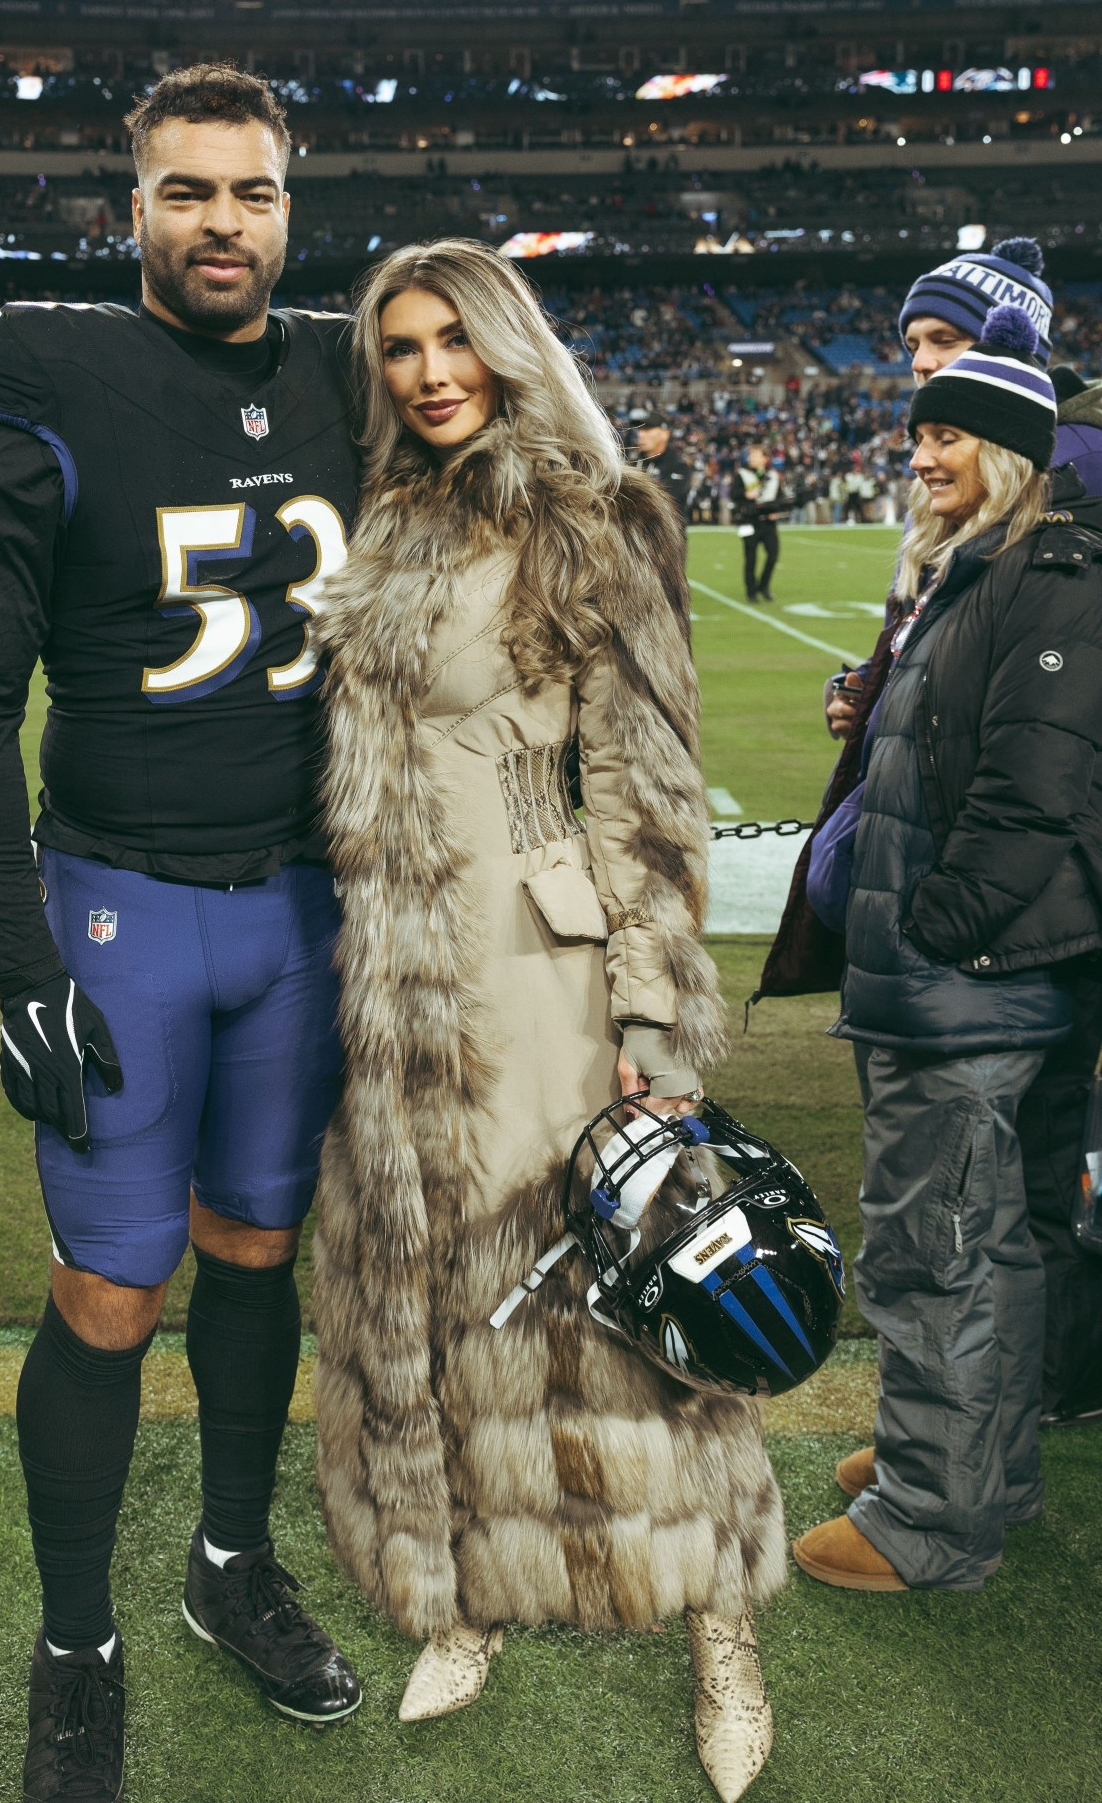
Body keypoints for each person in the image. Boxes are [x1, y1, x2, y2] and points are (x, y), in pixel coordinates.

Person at [0, 64, 363, 1803]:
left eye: (248, 192)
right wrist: (21, 966)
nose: (221, 223)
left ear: (286, 205)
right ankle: (76, 1638)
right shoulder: (59, 371)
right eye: (185, 192)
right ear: (133, 209)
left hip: (305, 904)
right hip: (124, 902)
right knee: (111, 1287)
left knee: (261, 1253)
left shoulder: (347, 362)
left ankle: (229, 1560)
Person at [313, 240, 785, 1802]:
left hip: (540, 964)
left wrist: (653, 1013)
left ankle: (723, 1624)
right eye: (401, 348)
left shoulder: (595, 518)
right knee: (443, 1301)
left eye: (456, 340)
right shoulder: (390, 519)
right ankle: (468, 1596)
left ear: (512, 346)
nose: (430, 371)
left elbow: (648, 789)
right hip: (394, 988)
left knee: (626, 1294)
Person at [785, 306, 1102, 1592]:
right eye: (917, 431)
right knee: (984, 1235)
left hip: (973, 981)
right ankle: (967, 1459)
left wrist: (939, 936)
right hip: (978, 977)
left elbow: (1035, 789)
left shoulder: (1046, 571)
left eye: (951, 434)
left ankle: (930, 1515)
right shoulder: (988, 562)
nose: (920, 452)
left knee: (940, 1246)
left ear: (1016, 452)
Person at [730, 441, 784, 600]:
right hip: (749, 520)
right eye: (751, 455)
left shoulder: (773, 476)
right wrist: (745, 495)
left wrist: (776, 511)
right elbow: (734, 494)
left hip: (768, 522)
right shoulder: (742, 474)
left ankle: (764, 585)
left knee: (773, 555)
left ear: (765, 458)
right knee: (751, 557)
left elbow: (779, 497)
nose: (751, 458)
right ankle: (751, 591)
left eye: (755, 455)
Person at [634, 413, 693, 527]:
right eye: (640, 430)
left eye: (648, 430)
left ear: (665, 434)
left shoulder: (678, 466)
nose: (641, 434)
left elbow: (668, 501)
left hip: (667, 539)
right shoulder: (632, 463)